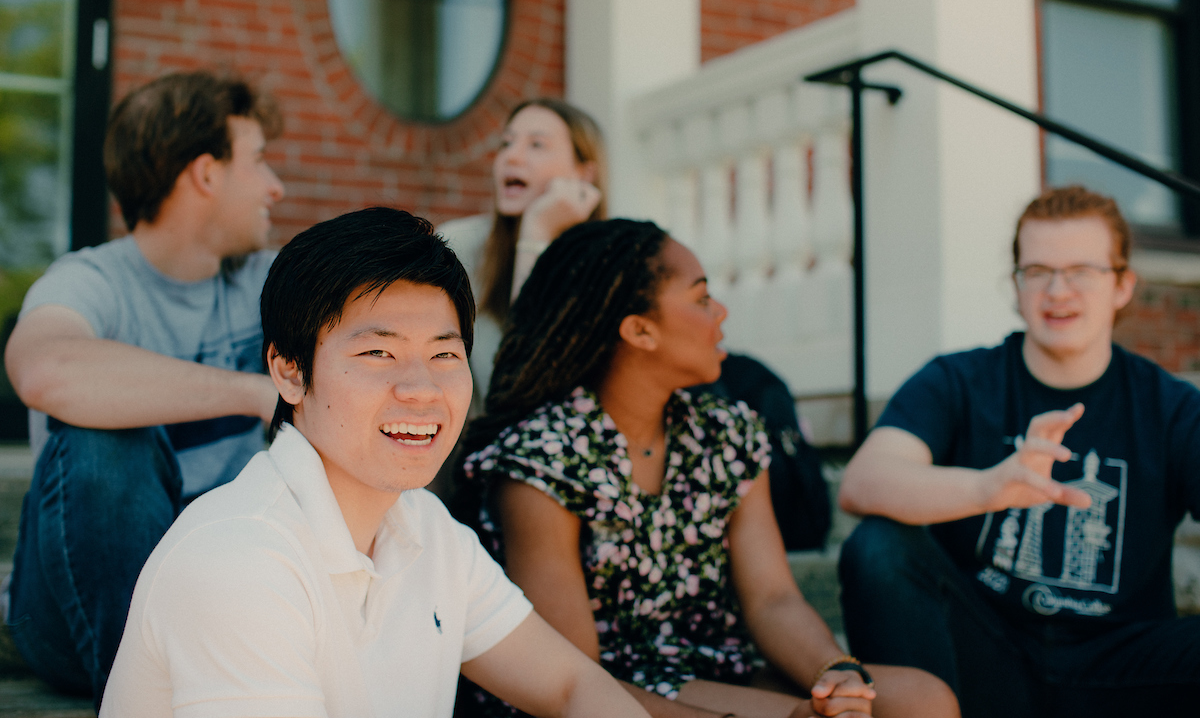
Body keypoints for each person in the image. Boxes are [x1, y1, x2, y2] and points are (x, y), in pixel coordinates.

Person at [101, 207, 653, 718]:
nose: (422, 389)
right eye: (378, 353)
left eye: (444, 354)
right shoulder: (240, 558)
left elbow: (572, 686)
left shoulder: (429, 532)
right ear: (289, 371)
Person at [460, 219, 959, 718]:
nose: (720, 312)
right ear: (639, 330)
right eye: (701, 299)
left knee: (923, 700)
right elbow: (570, 678)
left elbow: (773, 600)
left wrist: (834, 675)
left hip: (713, 668)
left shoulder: (727, 433)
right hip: (606, 691)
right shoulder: (542, 460)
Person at [836, 186, 1200, 717]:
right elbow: (862, 482)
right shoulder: (958, 381)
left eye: (1081, 271)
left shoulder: (1170, 407)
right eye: (1037, 271)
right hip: (985, 657)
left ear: (1122, 285)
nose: (1058, 290)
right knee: (878, 546)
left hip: (1122, 667)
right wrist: (988, 488)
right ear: (1015, 286)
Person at [4, 71, 285, 704]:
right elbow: (47, 369)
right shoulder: (89, 280)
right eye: (260, 162)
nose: (277, 187)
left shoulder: (266, 283)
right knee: (103, 440)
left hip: (213, 593)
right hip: (71, 610)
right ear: (206, 175)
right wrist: (253, 393)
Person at [438, 98, 605, 405]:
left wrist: (537, 233)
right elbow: (507, 391)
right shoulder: (458, 246)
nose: (511, 157)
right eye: (506, 143)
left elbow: (538, 385)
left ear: (584, 173)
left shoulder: (607, 264)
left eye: (537, 145)